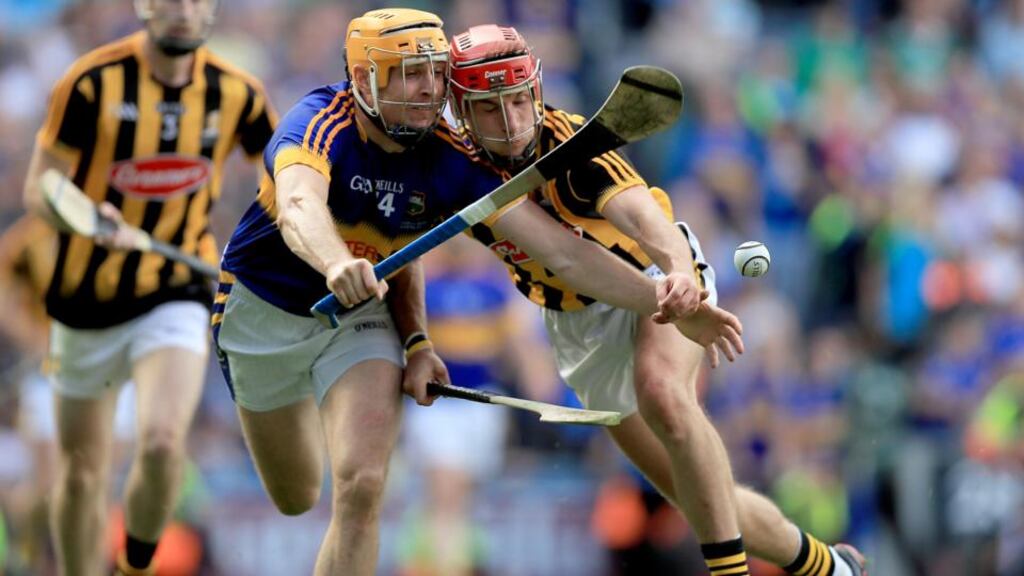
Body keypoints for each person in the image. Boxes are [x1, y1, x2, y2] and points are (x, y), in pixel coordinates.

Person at [213, 8, 741, 576]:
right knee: (295, 496)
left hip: (359, 320)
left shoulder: (450, 156)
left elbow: (560, 252)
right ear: (365, 80)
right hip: (264, 313)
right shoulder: (318, 123)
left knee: (363, 483)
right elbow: (297, 206)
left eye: (435, 72)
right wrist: (335, 261)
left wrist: (668, 301)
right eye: (408, 73)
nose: (427, 89)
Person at [447, 24, 869, 576]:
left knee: (663, 395)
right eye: (489, 109)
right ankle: (831, 567)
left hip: (652, 277)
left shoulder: (575, 147)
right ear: (462, 112)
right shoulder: (455, 172)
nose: (511, 122)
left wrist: (678, 275)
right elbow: (563, 264)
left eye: (519, 100)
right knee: (700, 499)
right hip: (577, 325)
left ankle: (728, 572)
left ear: (537, 90)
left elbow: (645, 217)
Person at [21, 0, 276, 573]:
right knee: (83, 471)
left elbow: (288, 175)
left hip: (177, 286)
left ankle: (133, 566)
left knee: (162, 442)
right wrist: (85, 216)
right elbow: (41, 187)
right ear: (143, 5)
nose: (183, 11)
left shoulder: (239, 93)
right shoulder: (90, 83)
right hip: (85, 300)